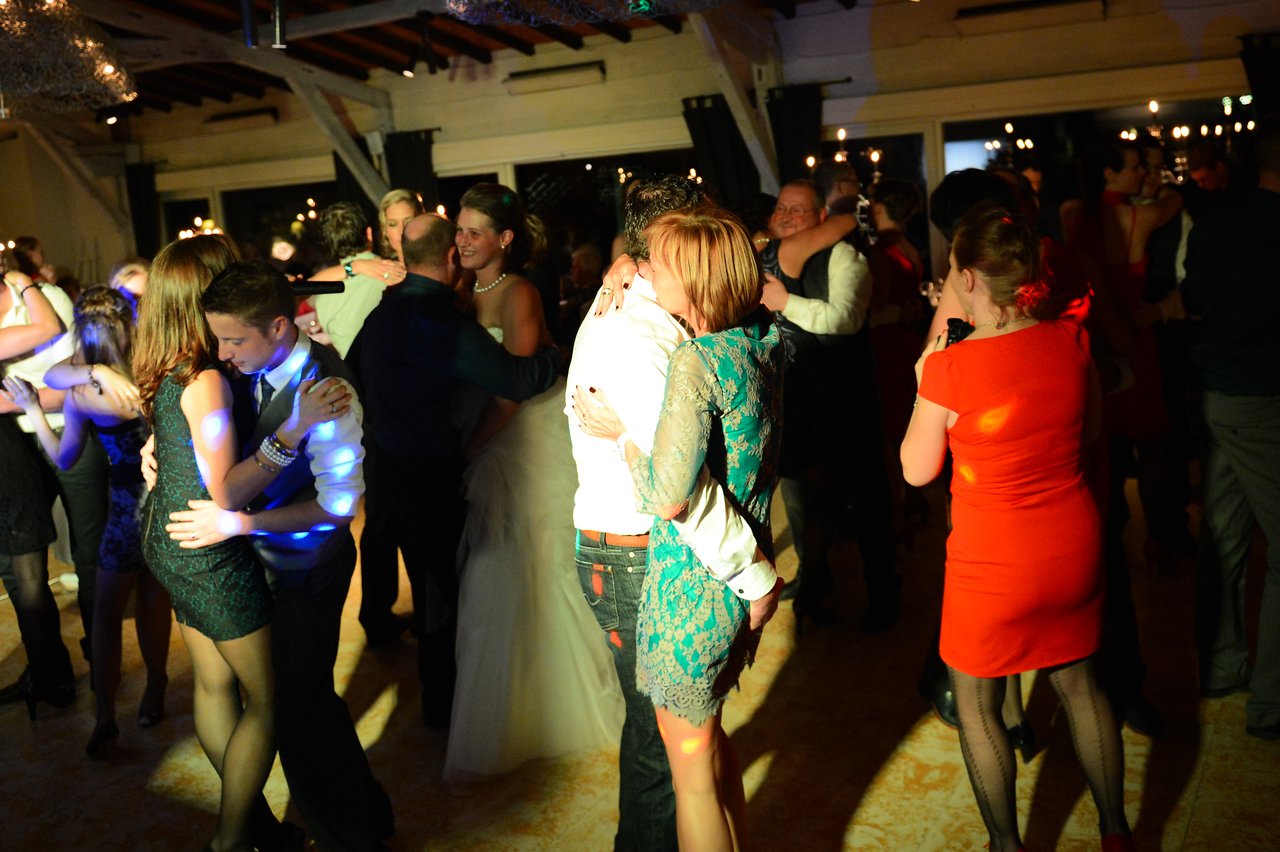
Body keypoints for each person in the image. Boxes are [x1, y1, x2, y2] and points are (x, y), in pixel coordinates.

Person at [902, 203, 1132, 852]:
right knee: (1082, 687)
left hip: (992, 563)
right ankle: (1116, 833)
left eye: (952, 271)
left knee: (977, 706)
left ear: (969, 278)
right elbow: (1087, 434)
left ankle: (1008, 845)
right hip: (1071, 545)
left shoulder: (949, 367)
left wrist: (928, 370)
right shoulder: (1070, 340)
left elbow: (917, 470)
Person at [567, 175, 782, 851]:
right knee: (669, 756)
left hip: (681, 553)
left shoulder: (696, 337)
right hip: (637, 552)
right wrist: (755, 577)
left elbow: (686, 481)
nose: (650, 266)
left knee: (687, 750)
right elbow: (679, 491)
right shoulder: (655, 339)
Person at [162, 259, 392, 851]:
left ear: (281, 327)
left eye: (234, 339)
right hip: (259, 561)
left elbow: (337, 510)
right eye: (219, 337)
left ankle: (355, 833)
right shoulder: (243, 367)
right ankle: (345, 822)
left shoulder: (327, 392)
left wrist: (241, 522)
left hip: (309, 565)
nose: (223, 352)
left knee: (301, 702)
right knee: (291, 703)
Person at [133, 234, 342, 852]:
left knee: (214, 685)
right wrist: (294, 430)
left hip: (168, 538)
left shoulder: (177, 369)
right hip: (205, 548)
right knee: (268, 699)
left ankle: (256, 831)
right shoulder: (208, 382)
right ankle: (232, 841)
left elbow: (177, 449)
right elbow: (225, 493)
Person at [346, 212, 563, 730]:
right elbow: (516, 376)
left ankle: (440, 700)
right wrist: (555, 357)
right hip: (429, 471)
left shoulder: (383, 315)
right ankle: (447, 709)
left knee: (427, 590)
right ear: (449, 257)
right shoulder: (438, 322)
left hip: (384, 470)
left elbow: (350, 373)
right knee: (445, 594)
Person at [442, 183, 623, 778]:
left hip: (523, 440)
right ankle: (507, 707)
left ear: (505, 239)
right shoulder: (463, 289)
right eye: (460, 231)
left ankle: (561, 705)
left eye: (474, 231)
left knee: (540, 562)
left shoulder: (519, 291)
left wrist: (473, 443)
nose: (463, 241)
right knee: (494, 566)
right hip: (488, 434)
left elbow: (516, 393)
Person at [4, 287, 172, 759]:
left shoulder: (83, 392)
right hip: (160, 500)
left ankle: (104, 718)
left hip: (125, 508)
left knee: (105, 611)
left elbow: (62, 454)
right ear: (130, 322)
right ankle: (152, 694)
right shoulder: (156, 373)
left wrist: (37, 410)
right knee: (151, 604)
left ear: (83, 331)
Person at [762, 178, 900, 632]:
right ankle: (812, 585)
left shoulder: (845, 256)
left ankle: (883, 598)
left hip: (848, 402)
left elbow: (845, 319)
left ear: (820, 218)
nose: (785, 216)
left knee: (866, 504)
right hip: (798, 404)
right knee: (804, 503)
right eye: (781, 208)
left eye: (797, 210)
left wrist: (786, 302)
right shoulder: (765, 259)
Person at [1184, 116, 1280, 740]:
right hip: (1263, 399)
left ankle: (1223, 667)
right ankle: (1272, 703)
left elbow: (1194, 301)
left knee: (1226, 535)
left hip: (1217, 395)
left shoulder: (1216, 224)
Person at [0, 266, 77, 717]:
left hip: (21, 446)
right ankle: (46, 671)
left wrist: (25, 282)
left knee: (25, 568)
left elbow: (50, 328)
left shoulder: (40, 298)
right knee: (14, 570)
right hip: (11, 445)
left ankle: (53, 676)